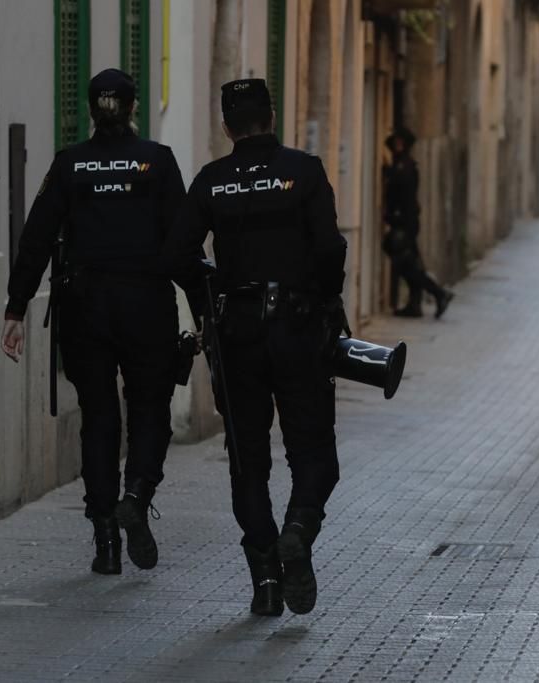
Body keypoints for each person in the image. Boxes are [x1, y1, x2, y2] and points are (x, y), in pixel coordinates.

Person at [163, 79, 347, 617]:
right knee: (314, 454)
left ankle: (265, 577)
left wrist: (214, 294)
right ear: (272, 116)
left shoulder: (212, 181)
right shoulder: (305, 171)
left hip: (238, 333)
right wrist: (323, 296)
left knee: (249, 461)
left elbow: (176, 256)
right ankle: (298, 529)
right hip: (297, 328)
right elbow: (330, 248)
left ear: (226, 127)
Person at [1, 69, 186, 575]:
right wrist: (205, 307)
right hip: (146, 301)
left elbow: (36, 238)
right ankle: (137, 491)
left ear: (90, 109)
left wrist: (16, 307)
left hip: (85, 305)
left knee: (99, 416)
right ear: (133, 107)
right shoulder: (157, 161)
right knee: (150, 407)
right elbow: (183, 240)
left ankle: (105, 537)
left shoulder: (70, 165)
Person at [381, 128, 454, 318]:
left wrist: (396, 217)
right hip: (405, 222)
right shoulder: (400, 165)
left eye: (400, 142)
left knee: (408, 265)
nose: (397, 146)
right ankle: (415, 304)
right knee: (410, 264)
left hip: (406, 224)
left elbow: (404, 195)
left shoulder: (406, 166)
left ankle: (439, 293)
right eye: (395, 142)